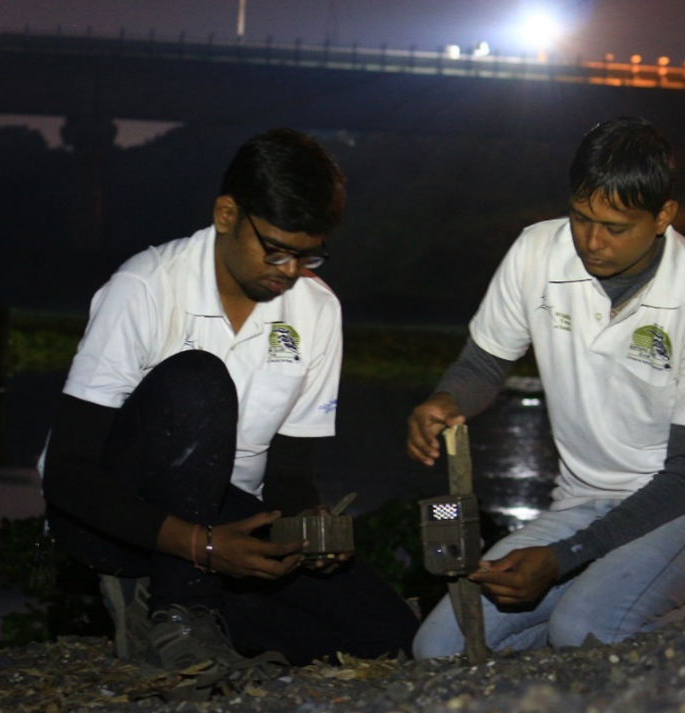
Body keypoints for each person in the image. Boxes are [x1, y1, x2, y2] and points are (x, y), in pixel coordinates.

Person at [41, 128, 418, 679]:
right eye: (277, 251)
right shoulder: (145, 287)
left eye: (308, 256)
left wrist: (307, 525)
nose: (290, 272)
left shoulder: (316, 311)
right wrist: (202, 545)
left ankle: (178, 606)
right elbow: (68, 477)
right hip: (117, 515)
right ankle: (179, 605)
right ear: (226, 214)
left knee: (386, 639)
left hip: (230, 516)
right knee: (199, 378)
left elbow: (289, 472)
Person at [406, 117, 685, 658]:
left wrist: (563, 557)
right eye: (580, 217)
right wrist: (445, 400)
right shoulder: (535, 252)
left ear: (663, 216)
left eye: (615, 227)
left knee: (582, 632)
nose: (592, 242)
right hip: (583, 497)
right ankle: (617, 592)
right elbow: (483, 362)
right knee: (438, 648)